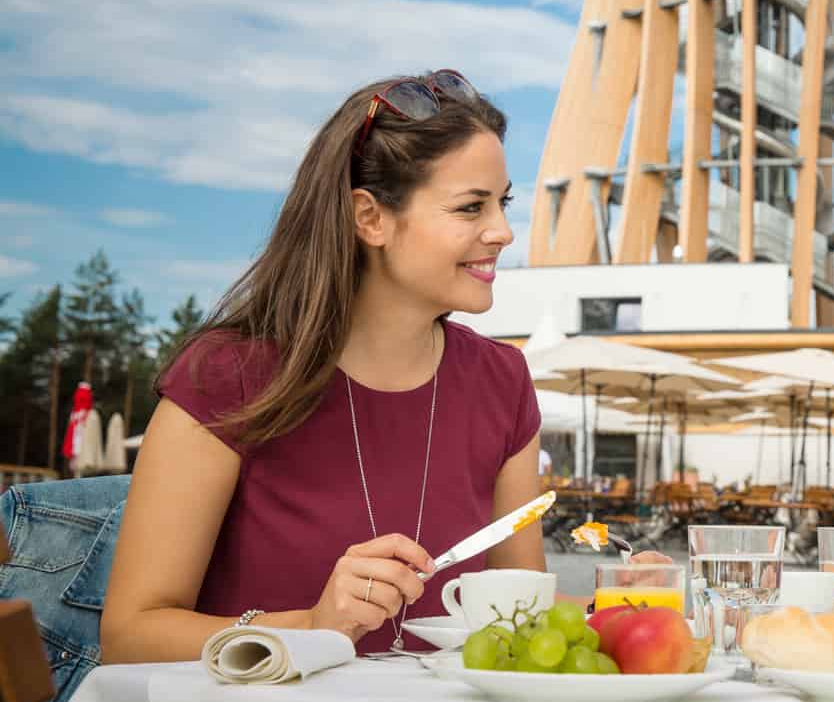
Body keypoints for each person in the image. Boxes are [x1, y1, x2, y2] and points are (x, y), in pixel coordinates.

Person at [102, 70, 549, 661]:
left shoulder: (503, 383)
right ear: (370, 218)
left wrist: (622, 613)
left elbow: (527, 622)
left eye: (503, 202)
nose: (503, 231)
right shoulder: (228, 376)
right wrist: (311, 625)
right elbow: (129, 638)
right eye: (471, 207)